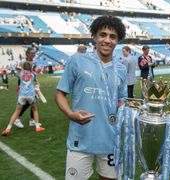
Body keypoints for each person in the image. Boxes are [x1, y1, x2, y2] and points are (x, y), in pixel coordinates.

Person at [55, 15, 127, 180]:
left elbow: (121, 100)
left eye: (113, 37)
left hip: (111, 141)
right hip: (80, 139)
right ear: (94, 36)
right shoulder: (77, 61)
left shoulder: (121, 69)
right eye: (102, 35)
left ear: (118, 40)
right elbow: (60, 94)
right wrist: (69, 114)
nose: (107, 40)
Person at [1, 61, 45, 136]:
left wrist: (20, 65)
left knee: (17, 111)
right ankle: (37, 127)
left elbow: (17, 72)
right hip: (31, 95)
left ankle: (8, 128)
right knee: (34, 109)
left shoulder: (20, 73)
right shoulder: (33, 74)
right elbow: (36, 81)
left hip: (22, 95)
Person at [14, 47, 38, 129]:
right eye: (31, 53)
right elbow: (17, 73)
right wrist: (26, 80)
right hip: (24, 85)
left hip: (31, 84)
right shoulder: (22, 62)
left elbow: (32, 73)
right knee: (28, 102)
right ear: (27, 54)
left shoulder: (34, 62)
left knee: (33, 101)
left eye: (34, 53)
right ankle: (17, 119)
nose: (33, 55)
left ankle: (32, 120)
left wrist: (35, 81)